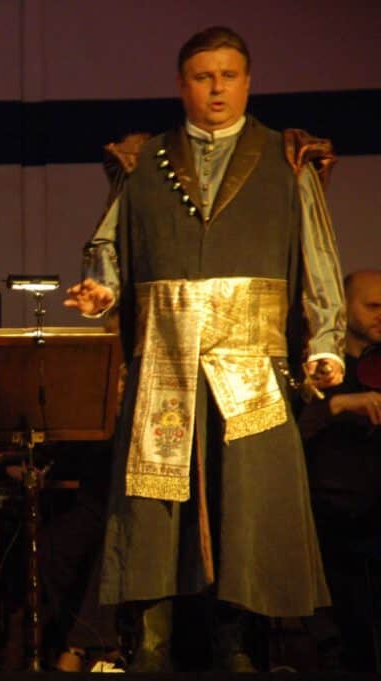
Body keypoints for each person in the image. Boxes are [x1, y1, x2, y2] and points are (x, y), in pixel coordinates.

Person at [64, 26, 345, 672]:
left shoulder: (287, 158)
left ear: (247, 81)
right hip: (165, 363)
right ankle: (150, 643)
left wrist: (326, 342)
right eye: (202, 76)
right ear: (181, 84)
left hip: (251, 364)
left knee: (245, 507)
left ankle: (238, 644)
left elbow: (318, 256)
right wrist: (102, 289)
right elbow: (107, 245)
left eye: (228, 75)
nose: (216, 88)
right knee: (154, 510)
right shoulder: (143, 160)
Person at [299, 269, 381, 671]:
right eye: (373, 306)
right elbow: (294, 430)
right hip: (326, 510)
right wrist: (339, 405)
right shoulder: (315, 370)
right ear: (344, 309)